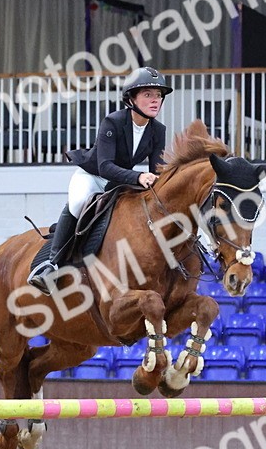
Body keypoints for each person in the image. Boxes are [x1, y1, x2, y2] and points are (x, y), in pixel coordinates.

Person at [27, 66, 171, 294]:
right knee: (77, 203)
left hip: (119, 181)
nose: (155, 101)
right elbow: (104, 166)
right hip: (92, 176)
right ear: (131, 99)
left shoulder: (158, 130)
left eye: (158, 96)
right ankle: (51, 265)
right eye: (148, 95)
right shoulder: (112, 122)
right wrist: (138, 176)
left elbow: (157, 170)